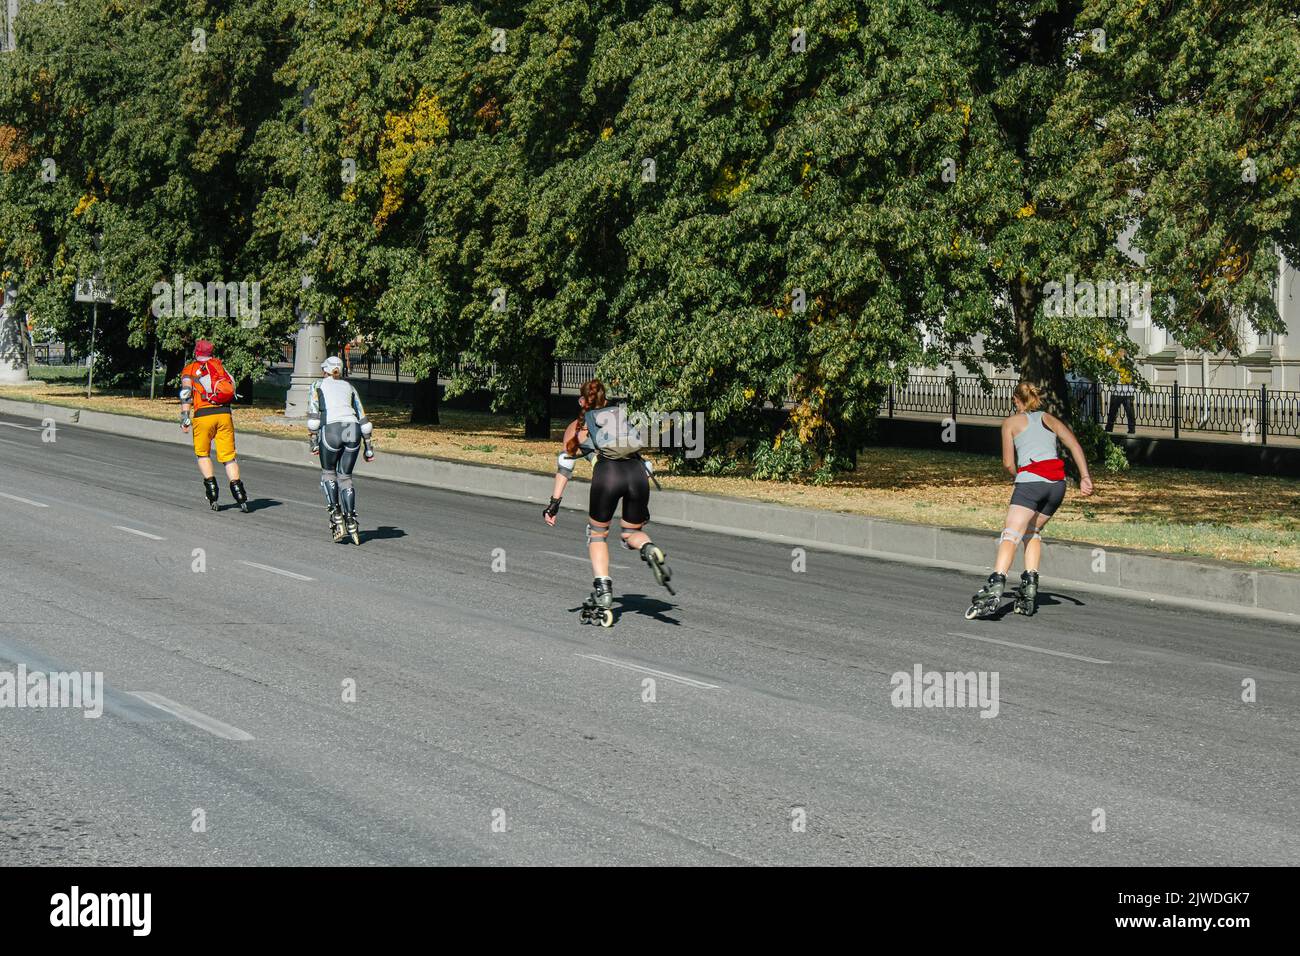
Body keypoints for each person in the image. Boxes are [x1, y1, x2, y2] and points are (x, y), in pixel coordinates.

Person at [543, 379, 672, 626]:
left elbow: (565, 467)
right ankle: (649, 549)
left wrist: (554, 504)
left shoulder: (576, 428)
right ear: (605, 401)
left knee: (597, 534)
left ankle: (603, 590)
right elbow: (645, 464)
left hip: (608, 476)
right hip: (637, 475)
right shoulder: (619, 420)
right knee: (631, 533)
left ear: (582, 401)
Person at [966, 382, 1093, 619]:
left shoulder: (1010, 423)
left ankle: (995, 587)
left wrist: (1020, 477)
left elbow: (1007, 463)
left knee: (1011, 534)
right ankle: (1030, 585)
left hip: (1030, 483)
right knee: (1032, 531)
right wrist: (1085, 477)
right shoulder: (1049, 419)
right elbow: (1074, 445)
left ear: (1017, 400)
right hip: (1057, 485)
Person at [307, 356, 374, 544]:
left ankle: (336, 516)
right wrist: (368, 448)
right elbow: (363, 417)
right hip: (353, 430)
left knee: (329, 473)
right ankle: (351, 520)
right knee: (345, 477)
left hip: (331, 430)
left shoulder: (317, 385)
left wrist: (313, 441)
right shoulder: (349, 387)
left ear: (325, 371)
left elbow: (313, 415)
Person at [179, 340, 248, 512]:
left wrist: (185, 416)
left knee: (203, 454)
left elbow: (186, 393)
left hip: (203, 416)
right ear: (211, 352)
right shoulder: (219, 367)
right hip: (224, 414)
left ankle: (212, 493)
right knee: (228, 457)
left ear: (196, 352)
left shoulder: (189, 369)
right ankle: (240, 495)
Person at [1105, 352, 1137, 434]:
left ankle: (1131, 429)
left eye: (1122, 353)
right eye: (1119, 353)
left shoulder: (1130, 362)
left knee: (1130, 413)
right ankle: (1109, 428)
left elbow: (1134, 375)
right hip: (1116, 391)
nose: (1120, 354)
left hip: (1127, 392)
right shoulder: (1114, 362)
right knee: (1112, 412)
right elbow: (1110, 374)